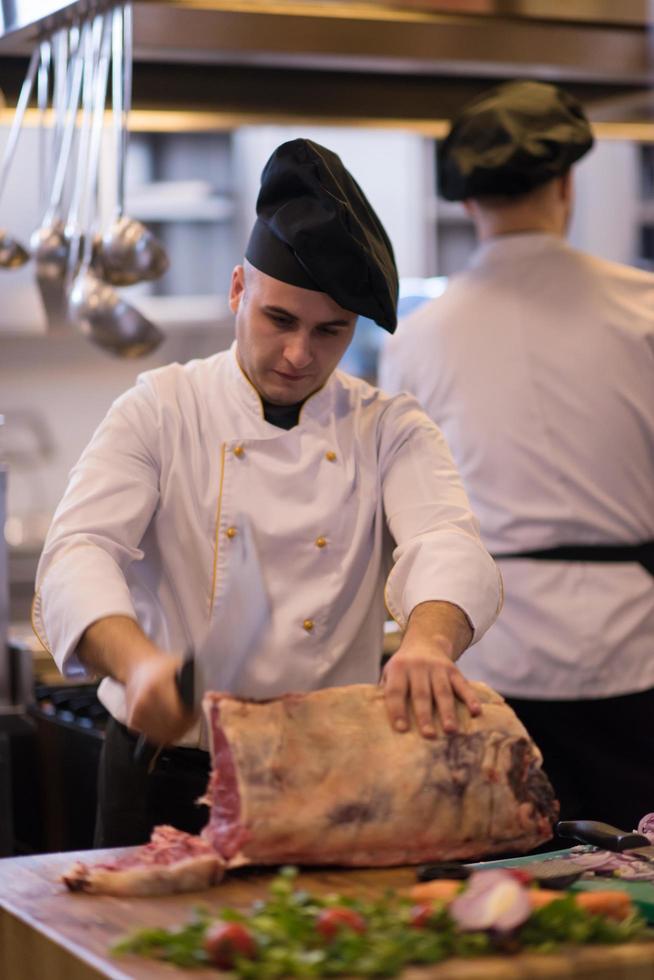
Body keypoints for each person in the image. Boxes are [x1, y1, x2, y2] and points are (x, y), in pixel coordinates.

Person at [33, 138, 502, 847]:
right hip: (161, 771)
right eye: (279, 319)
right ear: (237, 291)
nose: (298, 355)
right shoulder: (162, 407)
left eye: (330, 332)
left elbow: (445, 540)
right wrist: (139, 665)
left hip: (324, 770)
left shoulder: (387, 427)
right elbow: (79, 551)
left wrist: (430, 643)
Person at [379, 81, 654, 832]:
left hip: (486, 657)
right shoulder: (644, 310)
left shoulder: (414, 340)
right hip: (632, 649)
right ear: (567, 184)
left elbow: (405, 515)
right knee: (640, 875)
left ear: (467, 202)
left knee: (510, 885)